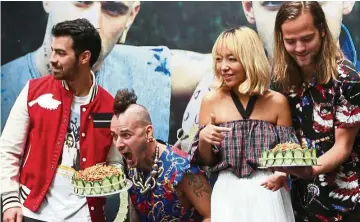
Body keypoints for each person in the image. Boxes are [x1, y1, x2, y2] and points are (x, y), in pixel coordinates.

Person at [177, 2, 360, 171]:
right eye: (274, 1)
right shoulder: (210, 92)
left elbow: (339, 149)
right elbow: (199, 168)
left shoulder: (352, 80)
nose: (294, 12)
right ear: (248, 7)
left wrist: (304, 171)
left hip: (342, 205)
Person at [0, 18, 123, 222]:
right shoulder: (33, 92)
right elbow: (8, 150)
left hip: (86, 216)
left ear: (84, 57)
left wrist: (110, 179)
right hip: (31, 212)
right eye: (53, 51)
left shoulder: (109, 108)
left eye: (61, 53)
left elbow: (114, 163)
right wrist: (10, 200)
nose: (52, 59)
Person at [1, 1, 176, 142]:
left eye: (113, 9)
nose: (93, 23)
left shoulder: (149, 68)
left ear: (131, 16)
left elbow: (202, 68)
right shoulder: (8, 86)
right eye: (82, 2)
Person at [271, 2, 360, 221]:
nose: (299, 48)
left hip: (347, 206)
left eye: (307, 38)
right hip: (301, 203)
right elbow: (283, 137)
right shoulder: (280, 81)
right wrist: (281, 169)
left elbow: (343, 147)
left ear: (323, 31)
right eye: (290, 41)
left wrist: (310, 170)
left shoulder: (348, 79)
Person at [188, 26, 296, 222]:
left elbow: (290, 153)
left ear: (251, 59)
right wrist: (204, 139)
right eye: (219, 59)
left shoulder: (277, 102)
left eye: (232, 59)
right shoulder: (210, 101)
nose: (223, 67)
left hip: (268, 191)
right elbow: (208, 161)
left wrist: (282, 172)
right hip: (227, 191)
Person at [110, 89, 211, 222]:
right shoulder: (131, 165)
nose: (118, 144)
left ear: (148, 133)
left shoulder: (183, 169)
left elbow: (212, 215)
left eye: (126, 135)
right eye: (114, 136)